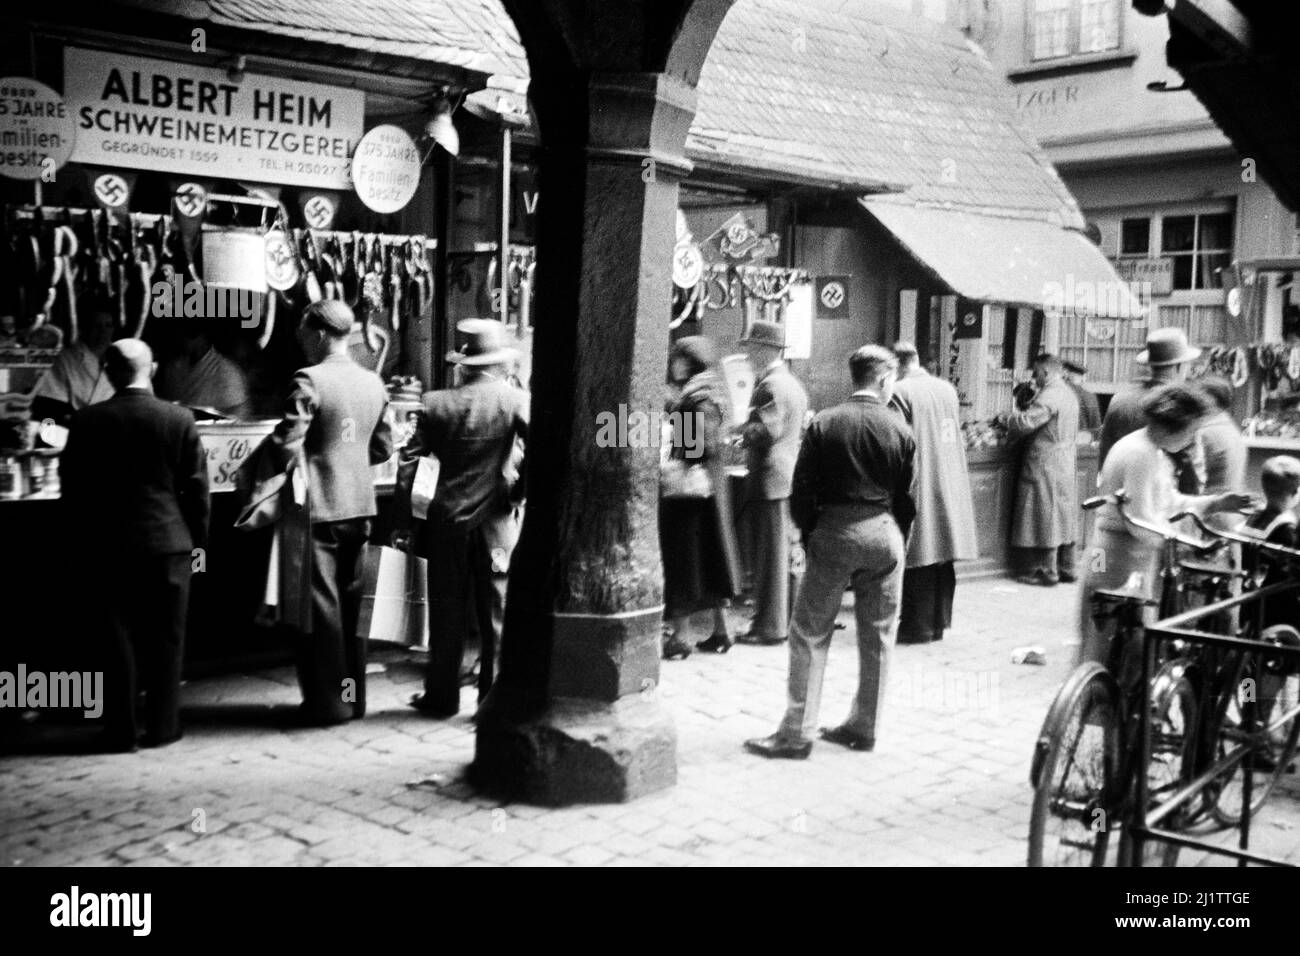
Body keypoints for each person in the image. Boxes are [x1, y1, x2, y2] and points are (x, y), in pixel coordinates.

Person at [744, 345, 914, 759]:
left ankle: (797, 733)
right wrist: (898, 538)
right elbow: (907, 497)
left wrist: (807, 532)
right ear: (884, 379)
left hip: (835, 530)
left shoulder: (826, 423)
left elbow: (802, 488)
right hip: (885, 532)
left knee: (809, 632)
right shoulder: (901, 429)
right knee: (878, 635)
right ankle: (864, 726)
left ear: (855, 377)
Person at [59, 339, 210, 751]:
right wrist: (198, 543)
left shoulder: (87, 421)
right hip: (169, 543)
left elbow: (71, 490)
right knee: (166, 638)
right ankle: (163, 727)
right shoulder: (178, 419)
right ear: (154, 368)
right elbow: (197, 490)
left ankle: (119, 730)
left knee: (114, 639)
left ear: (108, 372)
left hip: (107, 546)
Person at [393, 319, 528, 718]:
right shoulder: (515, 402)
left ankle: (441, 696)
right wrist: (518, 491)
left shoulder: (434, 404)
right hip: (497, 523)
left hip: (446, 523)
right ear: (499, 364)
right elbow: (539, 450)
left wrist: (411, 515)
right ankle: (492, 697)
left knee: (446, 612)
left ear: (464, 364)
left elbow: (409, 464)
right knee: (497, 614)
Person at [267, 300, 393, 725]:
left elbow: (286, 444)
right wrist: (349, 459)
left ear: (319, 334)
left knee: (321, 612)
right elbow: (383, 447)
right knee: (355, 610)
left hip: (319, 508)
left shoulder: (309, 380)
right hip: (361, 505)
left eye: (303, 333)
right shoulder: (372, 382)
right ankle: (353, 699)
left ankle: (328, 706)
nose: (301, 341)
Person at [1078, 384, 1255, 668]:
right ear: (1173, 428)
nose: (1193, 439)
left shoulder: (1150, 449)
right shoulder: (1142, 455)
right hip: (1119, 554)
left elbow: (1168, 501)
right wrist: (1183, 544)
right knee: (1117, 640)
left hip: (1117, 552)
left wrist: (1215, 503)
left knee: (1111, 636)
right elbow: (1143, 519)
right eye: (1191, 431)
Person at [659, 336, 743, 658]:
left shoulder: (696, 396)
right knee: (713, 560)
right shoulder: (713, 390)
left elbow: (696, 445)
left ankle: (680, 637)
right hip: (712, 490)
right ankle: (722, 631)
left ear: (688, 361)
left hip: (690, 496)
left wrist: (674, 451)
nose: (672, 364)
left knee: (684, 563)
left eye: (676, 358)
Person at [888, 342, 977, 643]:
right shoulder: (946, 389)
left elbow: (895, 442)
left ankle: (917, 626)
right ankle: (939, 622)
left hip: (919, 480)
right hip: (947, 478)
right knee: (941, 553)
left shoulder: (899, 392)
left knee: (919, 550)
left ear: (896, 365)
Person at [735, 319, 809, 646]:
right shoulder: (791, 383)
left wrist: (740, 431)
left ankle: (768, 626)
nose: (748, 354)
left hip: (769, 479)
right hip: (785, 477)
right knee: (786, 556)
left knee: (770, 559)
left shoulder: (770, 386)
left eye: (751, 347)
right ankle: (787, 622)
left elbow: (767, 431)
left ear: (766, 350)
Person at [1004, 354, 1080, 586]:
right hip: (1065, 460)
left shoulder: (1050, 396)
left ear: (1046, 372)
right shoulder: (1068, 393)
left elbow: (1027, 422)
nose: (1034, 377)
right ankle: (1067, 566)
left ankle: (1045, 571)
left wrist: (1006, 419)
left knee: (1044, 515)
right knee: (1064, 514)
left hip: (1045, 461)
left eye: (1036, 372)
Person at [1099, 328, 1202, 493]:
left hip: (1122, 493)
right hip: (1164, 499)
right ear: (1178, 366)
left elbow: (1105, 453)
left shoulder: (1119, 401)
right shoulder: (1182, 405)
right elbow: (1193, 468)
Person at [29, 296, 116, 425]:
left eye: (108, 325)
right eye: (96, 325)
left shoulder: (125, 358)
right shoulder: (64, 359)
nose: (102, 332)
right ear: (84, 328)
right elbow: (50, 408)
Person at [1244, 456, 1300, 631]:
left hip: (1247, 591)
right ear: (1295, 492)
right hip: (1273, 601)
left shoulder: (1253, 517)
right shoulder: (1286, 528)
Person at [155, 327, 252, 419]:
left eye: (189, 338)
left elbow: (237, 411)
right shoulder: (174, 366)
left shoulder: (226, 370)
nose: (183, 342)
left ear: (201, 339)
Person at [1063, 360, 1101, 434]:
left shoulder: (1060, 392)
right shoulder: (1090, 396)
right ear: (1081, 376)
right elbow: (1096, 426)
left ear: (1065, 373)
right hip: (1082, 441)